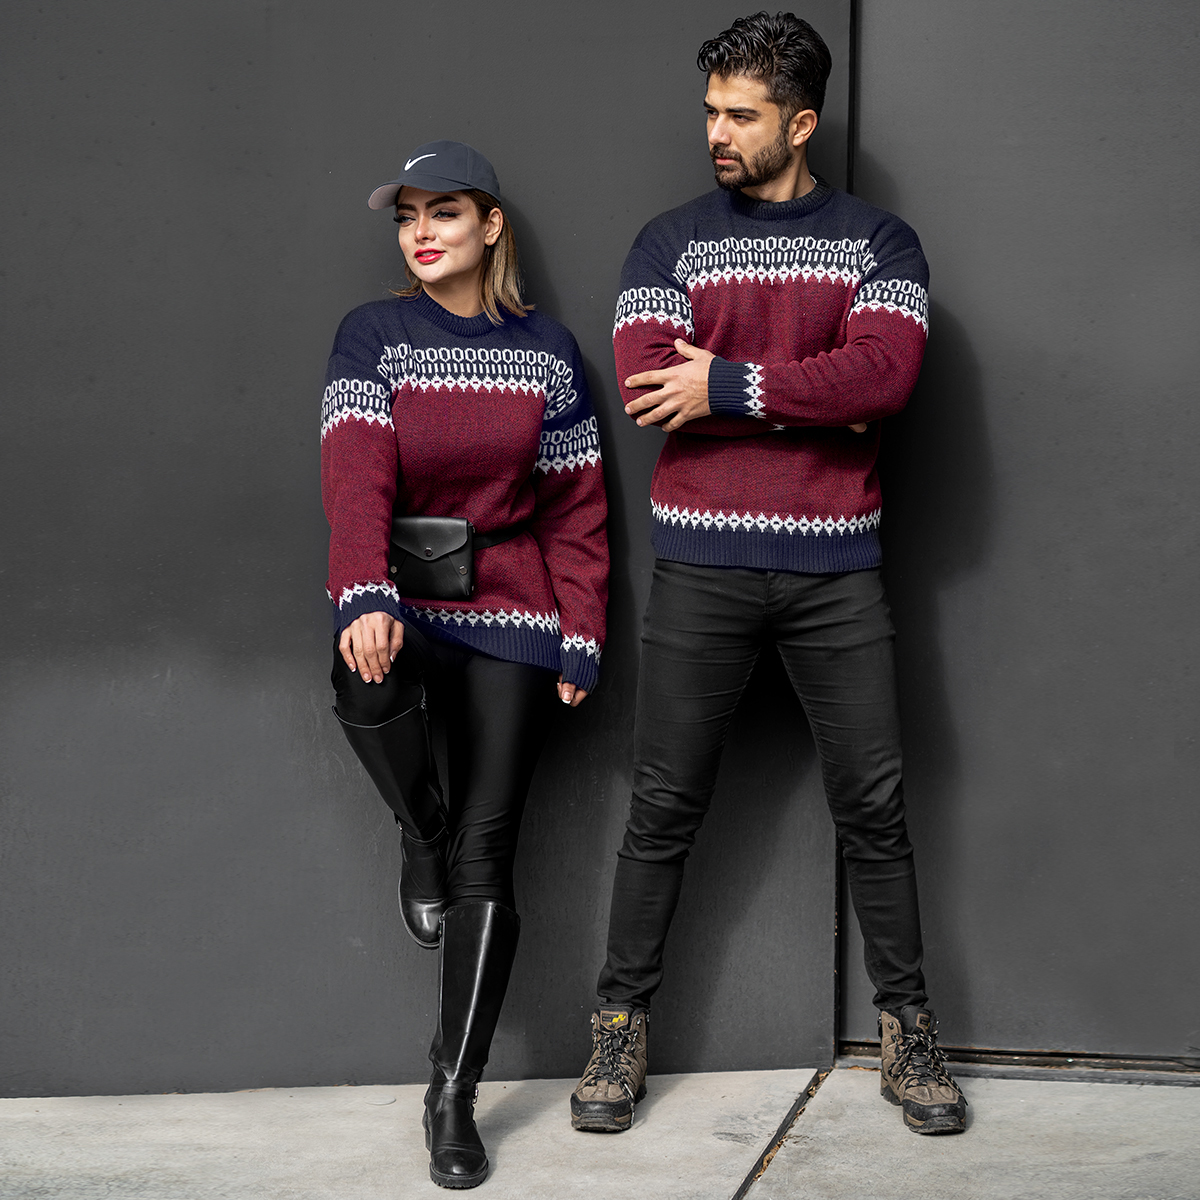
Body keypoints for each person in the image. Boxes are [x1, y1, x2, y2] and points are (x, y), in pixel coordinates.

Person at [569, 13, 966, 1136]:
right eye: (711, 111)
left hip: (838, 571)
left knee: (875, 807)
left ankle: (908, 1034)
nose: (716, 132)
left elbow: (883, 378)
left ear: (801, 123)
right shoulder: (669, 242)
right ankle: (618, 1030)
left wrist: (732, 387)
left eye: (740, 115)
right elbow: (649, 382)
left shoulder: (880, 243)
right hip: (701, 564)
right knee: (661, 806)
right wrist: (812, 395)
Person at [321, 140, 608, 1187]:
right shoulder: (374, 335)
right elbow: (356, 473)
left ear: (491, 225)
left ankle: (453, 1092)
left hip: (515, 607)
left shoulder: (549, 351)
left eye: (443, 211)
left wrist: (581, 629)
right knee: (362, 679)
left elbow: (576, 506)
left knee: (493, 855)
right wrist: (364, 591)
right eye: (407, 217)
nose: (421, 232)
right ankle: (420, 832)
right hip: (403, 595)